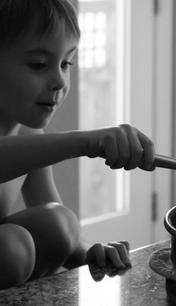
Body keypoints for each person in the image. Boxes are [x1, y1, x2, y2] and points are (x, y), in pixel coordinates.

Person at [0, 0, 156, 289]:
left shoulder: (30, 137)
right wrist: (85, 140)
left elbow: (64, 236)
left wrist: (90, 254)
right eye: (38, 64)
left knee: (59, 220)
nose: (59, 80)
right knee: (12, 245)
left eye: (66, 63)